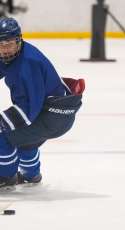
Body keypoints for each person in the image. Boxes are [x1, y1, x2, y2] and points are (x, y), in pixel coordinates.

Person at [0, 17, 85, 191]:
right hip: (55, 112)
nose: (4, 49)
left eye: (8, 44)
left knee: (4, 134)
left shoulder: (28, 63)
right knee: (26, 138)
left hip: (52, 116)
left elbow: (29, 109)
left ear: (18, 40)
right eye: (0, 44)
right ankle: (32, 176)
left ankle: (6, 177)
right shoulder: (13, 55)